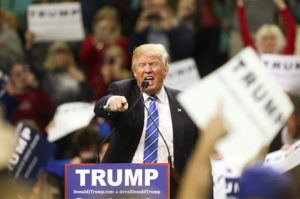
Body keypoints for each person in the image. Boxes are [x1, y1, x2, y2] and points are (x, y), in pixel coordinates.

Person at [94, 43, 198, 175]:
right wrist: (111, 102)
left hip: (171, 186)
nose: (148, 70)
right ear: (135, 72)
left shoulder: (183, 101)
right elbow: (99, 107)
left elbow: (197, 151)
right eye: (142, 65)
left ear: (165, 70)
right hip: (127, 184)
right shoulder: (124, 91)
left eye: (153, 64)